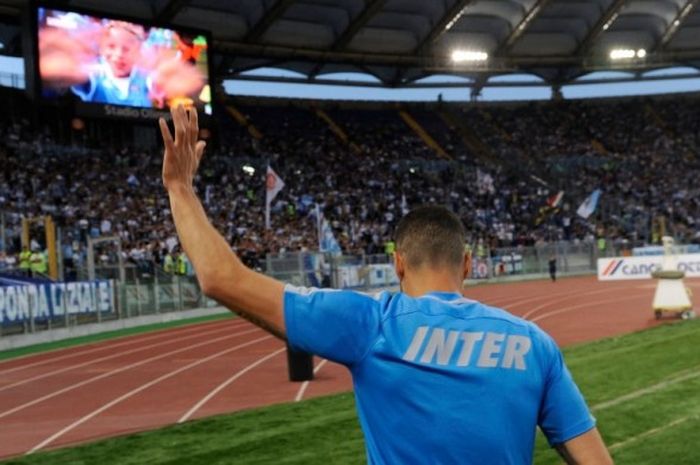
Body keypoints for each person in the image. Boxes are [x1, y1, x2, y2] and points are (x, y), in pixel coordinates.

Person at [159, 106, 613, 465]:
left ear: (398, 263)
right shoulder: (534, 343)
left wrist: (180, 188)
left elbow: (221, 278)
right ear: (469, 264)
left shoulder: (372, 323)